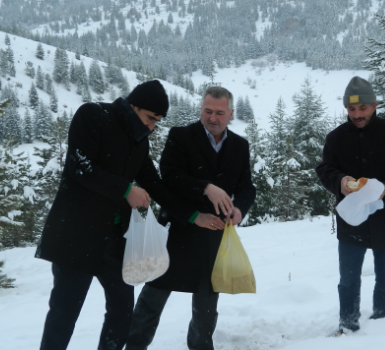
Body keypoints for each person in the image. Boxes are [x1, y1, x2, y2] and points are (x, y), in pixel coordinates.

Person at [35, 80, 196, 350]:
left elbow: (155, 184)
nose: (151, 127)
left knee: (122, 314)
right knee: (64, 314)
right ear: (133, 106)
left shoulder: (138, 142)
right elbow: (80, 166)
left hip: (115, 243)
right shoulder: (93, 115)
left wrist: (192, 216)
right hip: (77, 237)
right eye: (149, 118)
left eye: (157, 122)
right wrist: (126, 189)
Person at [125, 86, 256, 350]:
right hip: (179, 228)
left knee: (207, 305)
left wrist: (240, 209)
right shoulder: (181, 136)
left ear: (231, 114)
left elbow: (246, 186)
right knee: (154, 295)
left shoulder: (240, 146)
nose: (213, 118)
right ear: (201, 110)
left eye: (220, 113)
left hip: (214, 233)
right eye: (207, 111)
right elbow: (170, 176)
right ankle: (135, 346)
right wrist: (206, 187)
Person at [316, 76, 385, 335]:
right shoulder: (336, 138)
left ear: (374, 105)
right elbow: (325, 169)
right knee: (348, 280)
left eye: (362, 108)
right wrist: (341, 181)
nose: (357, 114)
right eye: (351, 109)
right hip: (352, 219)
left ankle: (384, 327)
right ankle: (348, 326)